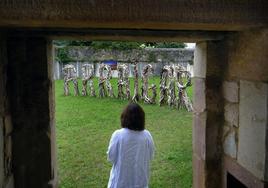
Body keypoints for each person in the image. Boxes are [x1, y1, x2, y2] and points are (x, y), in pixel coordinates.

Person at [107, 103, 155, 188]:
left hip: (120, 182)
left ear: (124, 117)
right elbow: (150, 155)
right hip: (140, 181)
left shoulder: (118, 135)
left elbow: (111, 157)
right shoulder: (147, 135)